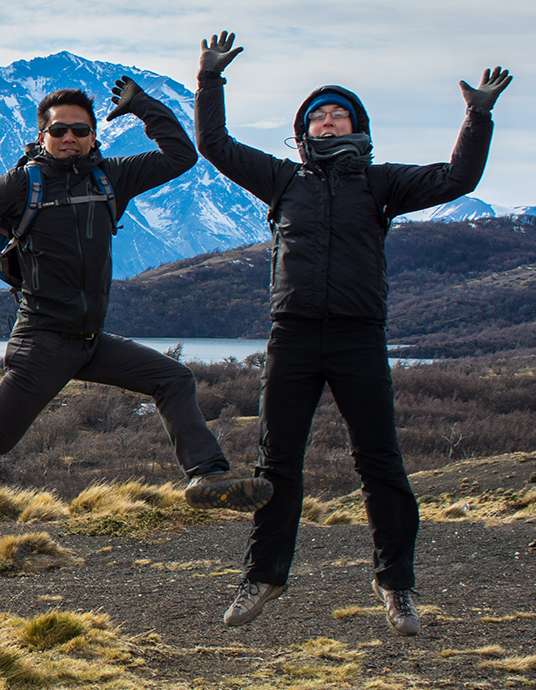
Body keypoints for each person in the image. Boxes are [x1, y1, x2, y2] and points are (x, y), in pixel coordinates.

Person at [193, 31, 508, 636]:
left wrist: (477, 116)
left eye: (339, 114)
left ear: (356, 127)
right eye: (318, 116)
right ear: (304, 131)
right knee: (275, 463)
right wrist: (210, 79)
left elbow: (457, 180)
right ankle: (264, 576)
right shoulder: (284, 180)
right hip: (293, 336)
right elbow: (215, 145)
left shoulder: (382, 184)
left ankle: (398, 586)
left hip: (360, 337)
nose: (328, 120)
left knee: (380, 462)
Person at [0, 79, 273, 513]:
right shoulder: (19, 185)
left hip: (92, 342)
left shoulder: (111, 177)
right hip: (43, 342)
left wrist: (142, 106)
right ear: (42, 136)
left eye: (80, 130)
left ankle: (207, 474)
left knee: (174, 378)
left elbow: (180, 156)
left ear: (94, 136)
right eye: (59, 131)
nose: (69, 138)